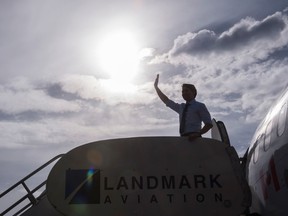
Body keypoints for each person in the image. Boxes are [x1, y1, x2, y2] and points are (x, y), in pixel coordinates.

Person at [154, 74, 213, 140]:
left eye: (186, 90)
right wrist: (156, 88)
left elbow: (209, 124)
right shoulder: (181, 107)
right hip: (183, 139)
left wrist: (197, 134)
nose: (184, 93)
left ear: (193, 92)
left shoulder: (200, 106)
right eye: (183, 91)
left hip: (196, 139)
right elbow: (166, 101)